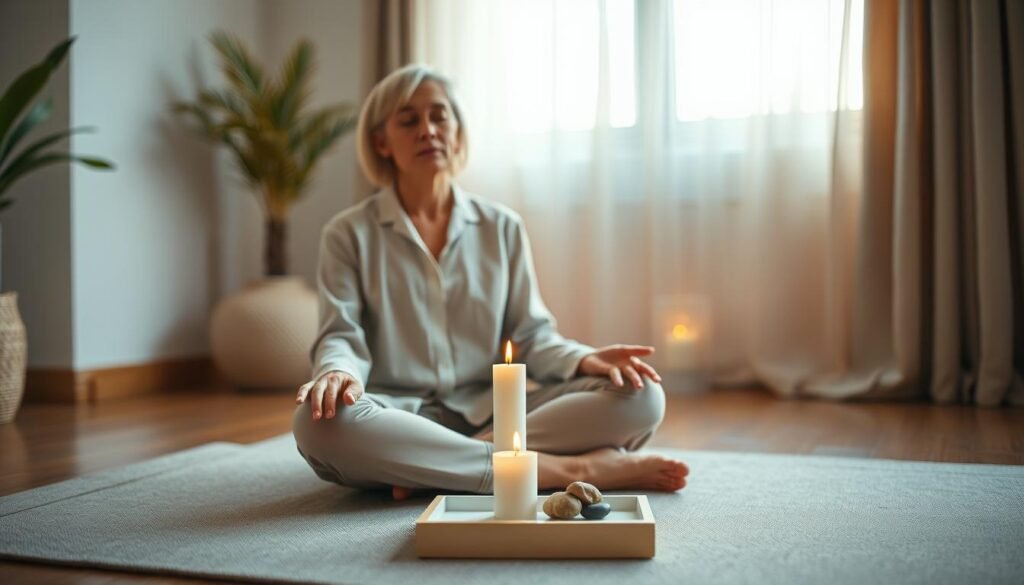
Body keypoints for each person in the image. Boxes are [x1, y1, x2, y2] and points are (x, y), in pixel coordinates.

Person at [292, 64, 688, 500]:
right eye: (408, 120)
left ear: (457, 132)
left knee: (642, 394)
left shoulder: (502, 227)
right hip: (396, 415)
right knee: (318, 424)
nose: (428, 130)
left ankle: (436, 465)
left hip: (498, 413)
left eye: (440, 116)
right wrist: (336, 372)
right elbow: (341, 334)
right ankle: (565, 468)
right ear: (381, 141)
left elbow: (533, 337)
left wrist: (584, 360)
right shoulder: (347, 234)